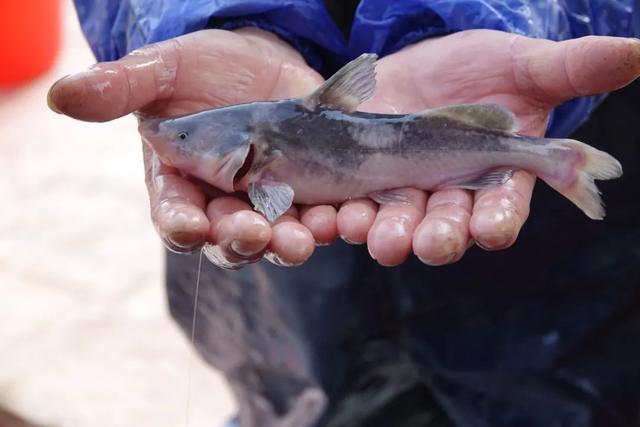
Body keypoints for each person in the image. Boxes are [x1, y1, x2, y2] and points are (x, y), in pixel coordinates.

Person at [48, 1, 640, 426]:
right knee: (300, 386)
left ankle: (555, 162)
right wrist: (196, 14)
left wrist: (510, 13)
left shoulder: (266, 164)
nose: (166, 141)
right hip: (294, 287)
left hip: (561, 258)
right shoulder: (260, 156)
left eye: (181, 141)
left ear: (253, 152)